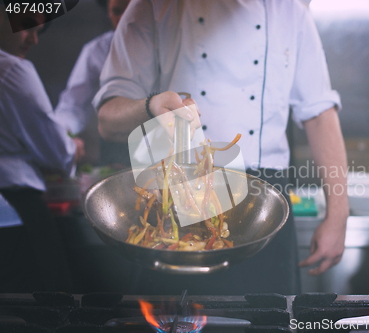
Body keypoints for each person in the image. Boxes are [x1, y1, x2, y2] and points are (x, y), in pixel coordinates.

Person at [94, 0, 349, 295]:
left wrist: (339, 216)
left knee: (268, 321)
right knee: (169, 318)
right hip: (174, 198)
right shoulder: (151, 6)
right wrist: (150, 107)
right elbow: (107, 120)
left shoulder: (289, 10)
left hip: (263, 208)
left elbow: (319, 116)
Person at [0, 4, 84, 292]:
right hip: (15, 208)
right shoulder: (11, 70)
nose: (33, 39)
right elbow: (54, 151)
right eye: (28, 26)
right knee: (41, 305)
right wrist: (72, 148)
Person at [55, 0, 130, 166]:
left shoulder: (167, 46)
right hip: (114, 150)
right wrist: (61, 134)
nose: (124, 18)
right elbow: (73, 106)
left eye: (131, 10)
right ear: (107, 12)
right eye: (117, 11)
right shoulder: (96, 51)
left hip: (161, 146)